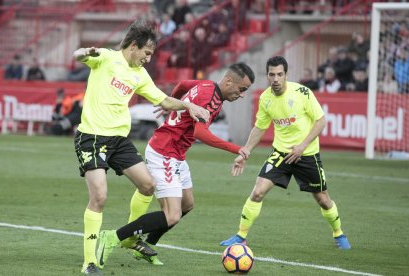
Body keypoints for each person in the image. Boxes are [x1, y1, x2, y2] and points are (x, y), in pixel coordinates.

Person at [73, 20, 210, 275]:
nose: (148, 59)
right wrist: (86, 52)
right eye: (147, 53)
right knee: (100, 197)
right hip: (92, 137)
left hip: (119, 140)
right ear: (133, 46)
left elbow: (164, 100)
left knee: (148, 185)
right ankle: (89, 261)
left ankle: (127, 236)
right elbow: (77, 56)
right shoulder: (105, 58)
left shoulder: (139, 74)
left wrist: (188, 106)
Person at [96, 62, 255, 267]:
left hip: (176, 154)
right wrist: (236, 149)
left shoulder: (207, 85)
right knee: (172, 215)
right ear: (229, 81)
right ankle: (113, 237)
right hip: (165, 152)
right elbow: (200, 133)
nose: (241, 95)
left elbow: (182, 84)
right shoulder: (210, 99)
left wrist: (170, 104)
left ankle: (146, 244)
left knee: (187, 204)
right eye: (242, 89)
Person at [220, 56, 351, 251]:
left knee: (323, 199)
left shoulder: (302, 93)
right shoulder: (265, 98)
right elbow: (259, 127)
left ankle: (338, 234)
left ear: (286, 75)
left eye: (279, 74)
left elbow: (320, 121)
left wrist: (302, 146)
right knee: (257, 192)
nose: (275, 79)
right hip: (281, 153)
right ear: (268, 76)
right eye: (271, 74)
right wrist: (245, 151)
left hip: (307, 154)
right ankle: (241, 236)